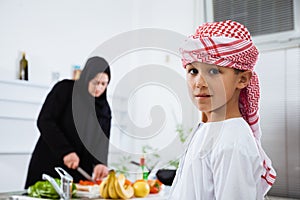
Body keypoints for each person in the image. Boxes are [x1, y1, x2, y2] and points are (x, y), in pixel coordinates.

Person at [168, 20, 276, 199]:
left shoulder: (231, 141)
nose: (199, 83)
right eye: (193, 71)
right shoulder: (210, 129)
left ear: (242, 79)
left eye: (213, 72)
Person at [25, 56, 112, 188]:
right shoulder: (64, 90)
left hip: (78, 173)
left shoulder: (104, 110)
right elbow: (45, 121)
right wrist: (66, 151)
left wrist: (100, 163)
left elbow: (101, 142)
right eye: (95, 82)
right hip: (49, 164)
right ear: (87, 78)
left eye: (103, 84)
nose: (99, 88)